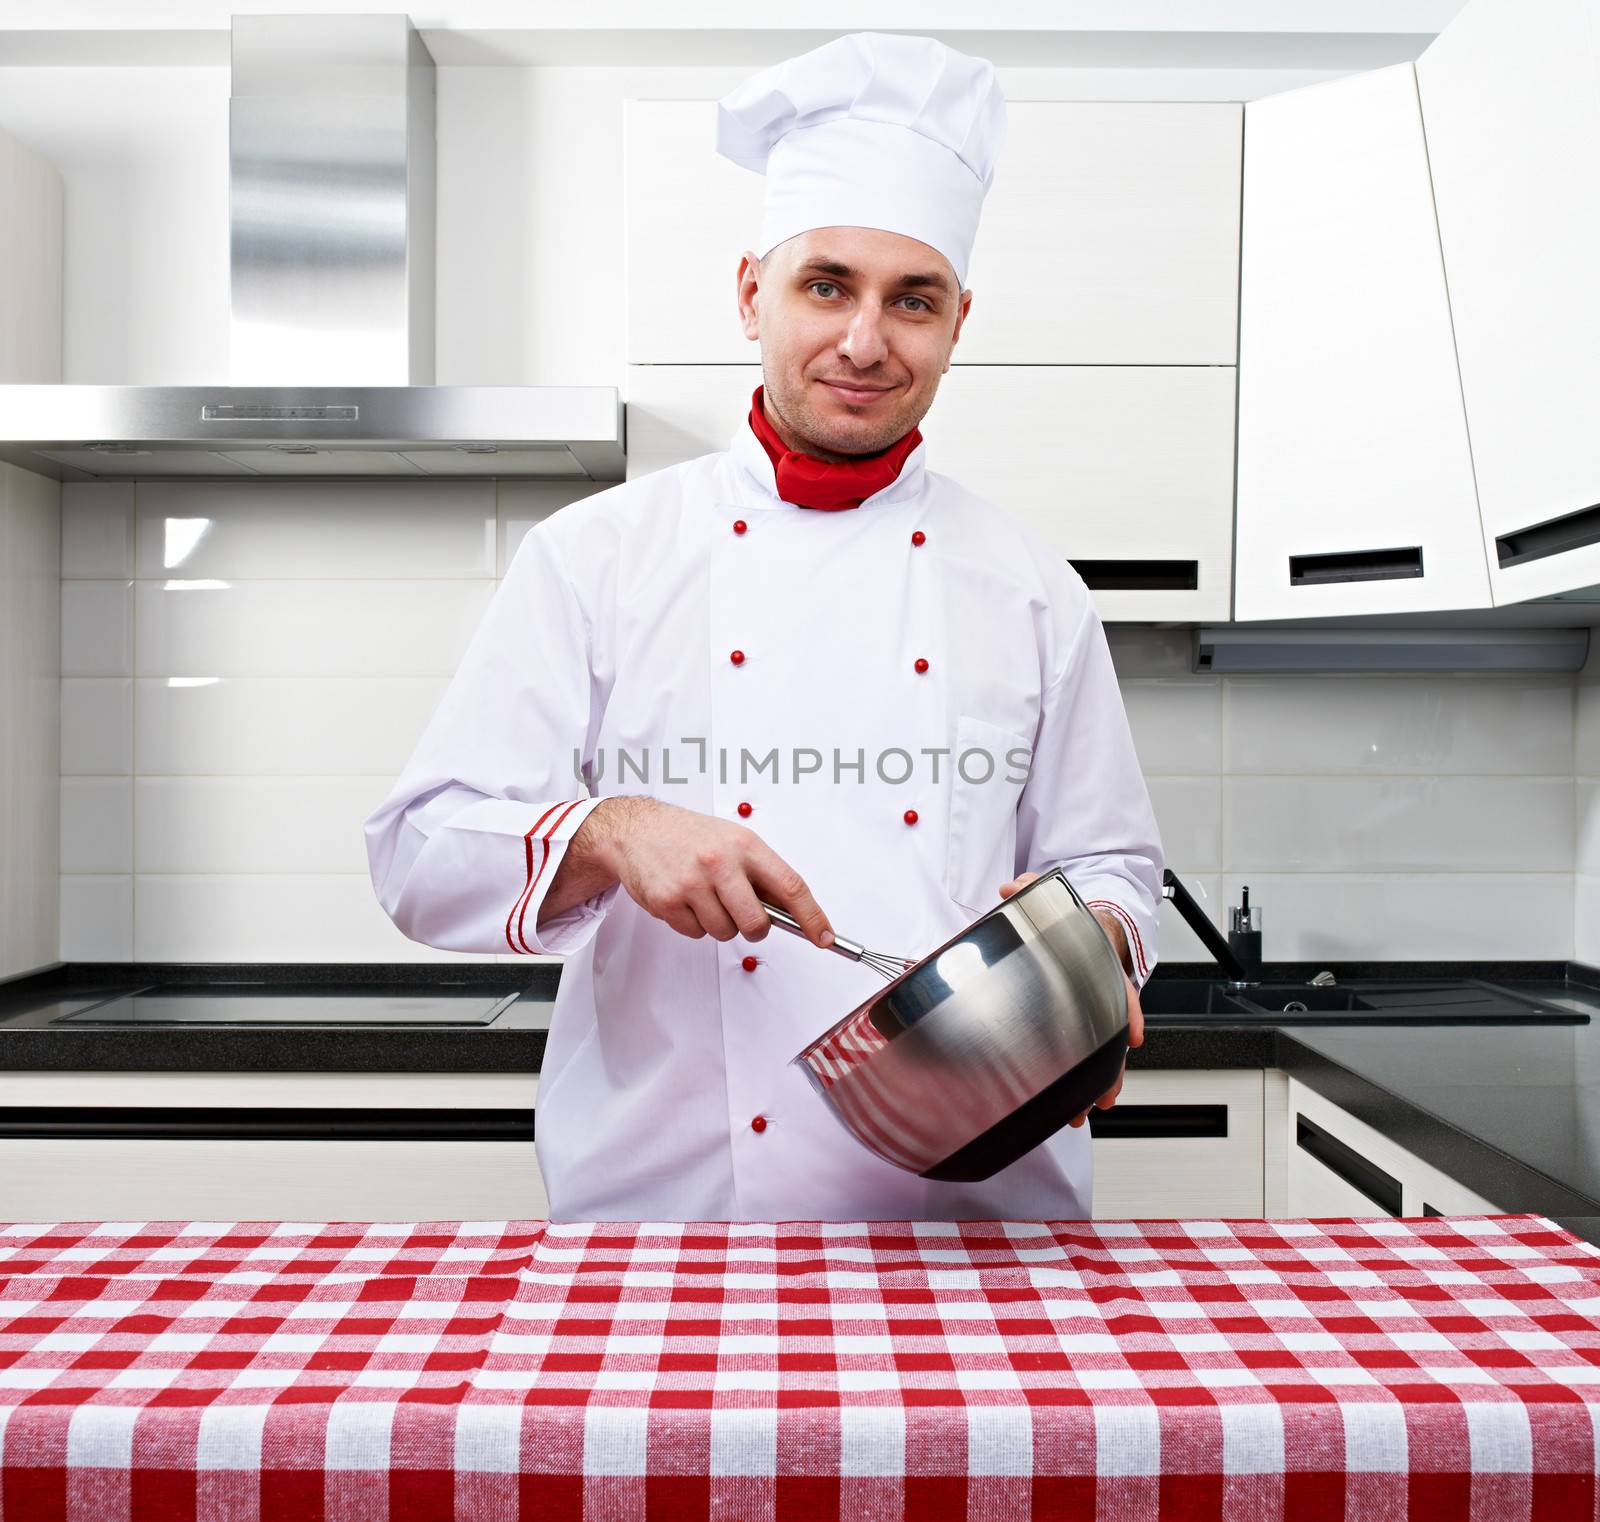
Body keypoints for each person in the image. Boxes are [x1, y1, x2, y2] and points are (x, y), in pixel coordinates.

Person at [364, 32, 1164, 1222]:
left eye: (913, 301)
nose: (863, 341)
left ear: (957, 322)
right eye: (826, 284)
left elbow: (1112, 866)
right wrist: (609, 831)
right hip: (672, 1205)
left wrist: (1092, 938)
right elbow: (419, 854)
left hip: (976, 1217)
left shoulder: (1032, 587)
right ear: (752, 293)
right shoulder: (595, 557)